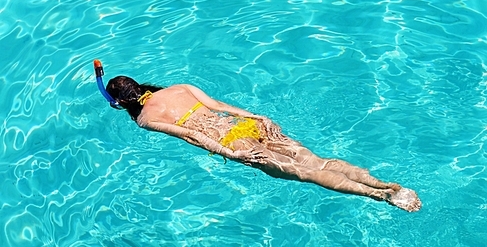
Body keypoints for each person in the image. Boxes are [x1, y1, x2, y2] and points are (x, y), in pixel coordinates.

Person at [103, 75, 421, 212]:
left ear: (120, 103)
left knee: (306, 173)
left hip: (229, 139)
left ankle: (380, 196)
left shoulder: (145, 119)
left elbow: (191, 134)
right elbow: (217, 105)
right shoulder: (179, 87)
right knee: (317, 161)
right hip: (243, 124)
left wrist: (228, 151)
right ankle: (387, 184)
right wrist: (257, 116)